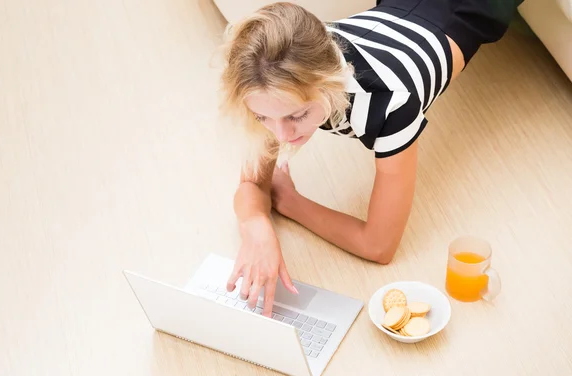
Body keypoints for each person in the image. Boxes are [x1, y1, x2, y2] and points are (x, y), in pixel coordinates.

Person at [219, 0, 523, 316]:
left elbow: (379, 245)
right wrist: (256, 225)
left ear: (328, 85)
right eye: (262, 118)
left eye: (298, 115)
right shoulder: (279, 67)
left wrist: (289, 202)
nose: (280, 136)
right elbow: (252, 184)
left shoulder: (392, 100)